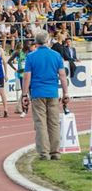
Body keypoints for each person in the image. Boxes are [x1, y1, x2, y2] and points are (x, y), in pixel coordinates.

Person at [22, 30, 70, 161]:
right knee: (54, 123)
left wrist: (24, 94)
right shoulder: (56, 56)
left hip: (37, 93)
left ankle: (44, 153)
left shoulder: (31, 57)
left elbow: (27, 77)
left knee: (40, 124)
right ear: (48, 41)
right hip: (53, 93)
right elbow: (62, 76)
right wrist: (66, 93)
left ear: (36, 42)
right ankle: (55, 152)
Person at [7, 42, 31, 118]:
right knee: (24, 93)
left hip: (30, 75)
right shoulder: (18, 52)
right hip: (22, 76)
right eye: (27, 50)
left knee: (33, 93)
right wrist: (16, 69)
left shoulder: (31, 53)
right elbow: (9, 61)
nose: (27, 52)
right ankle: (24, 110)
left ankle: (35, 110)